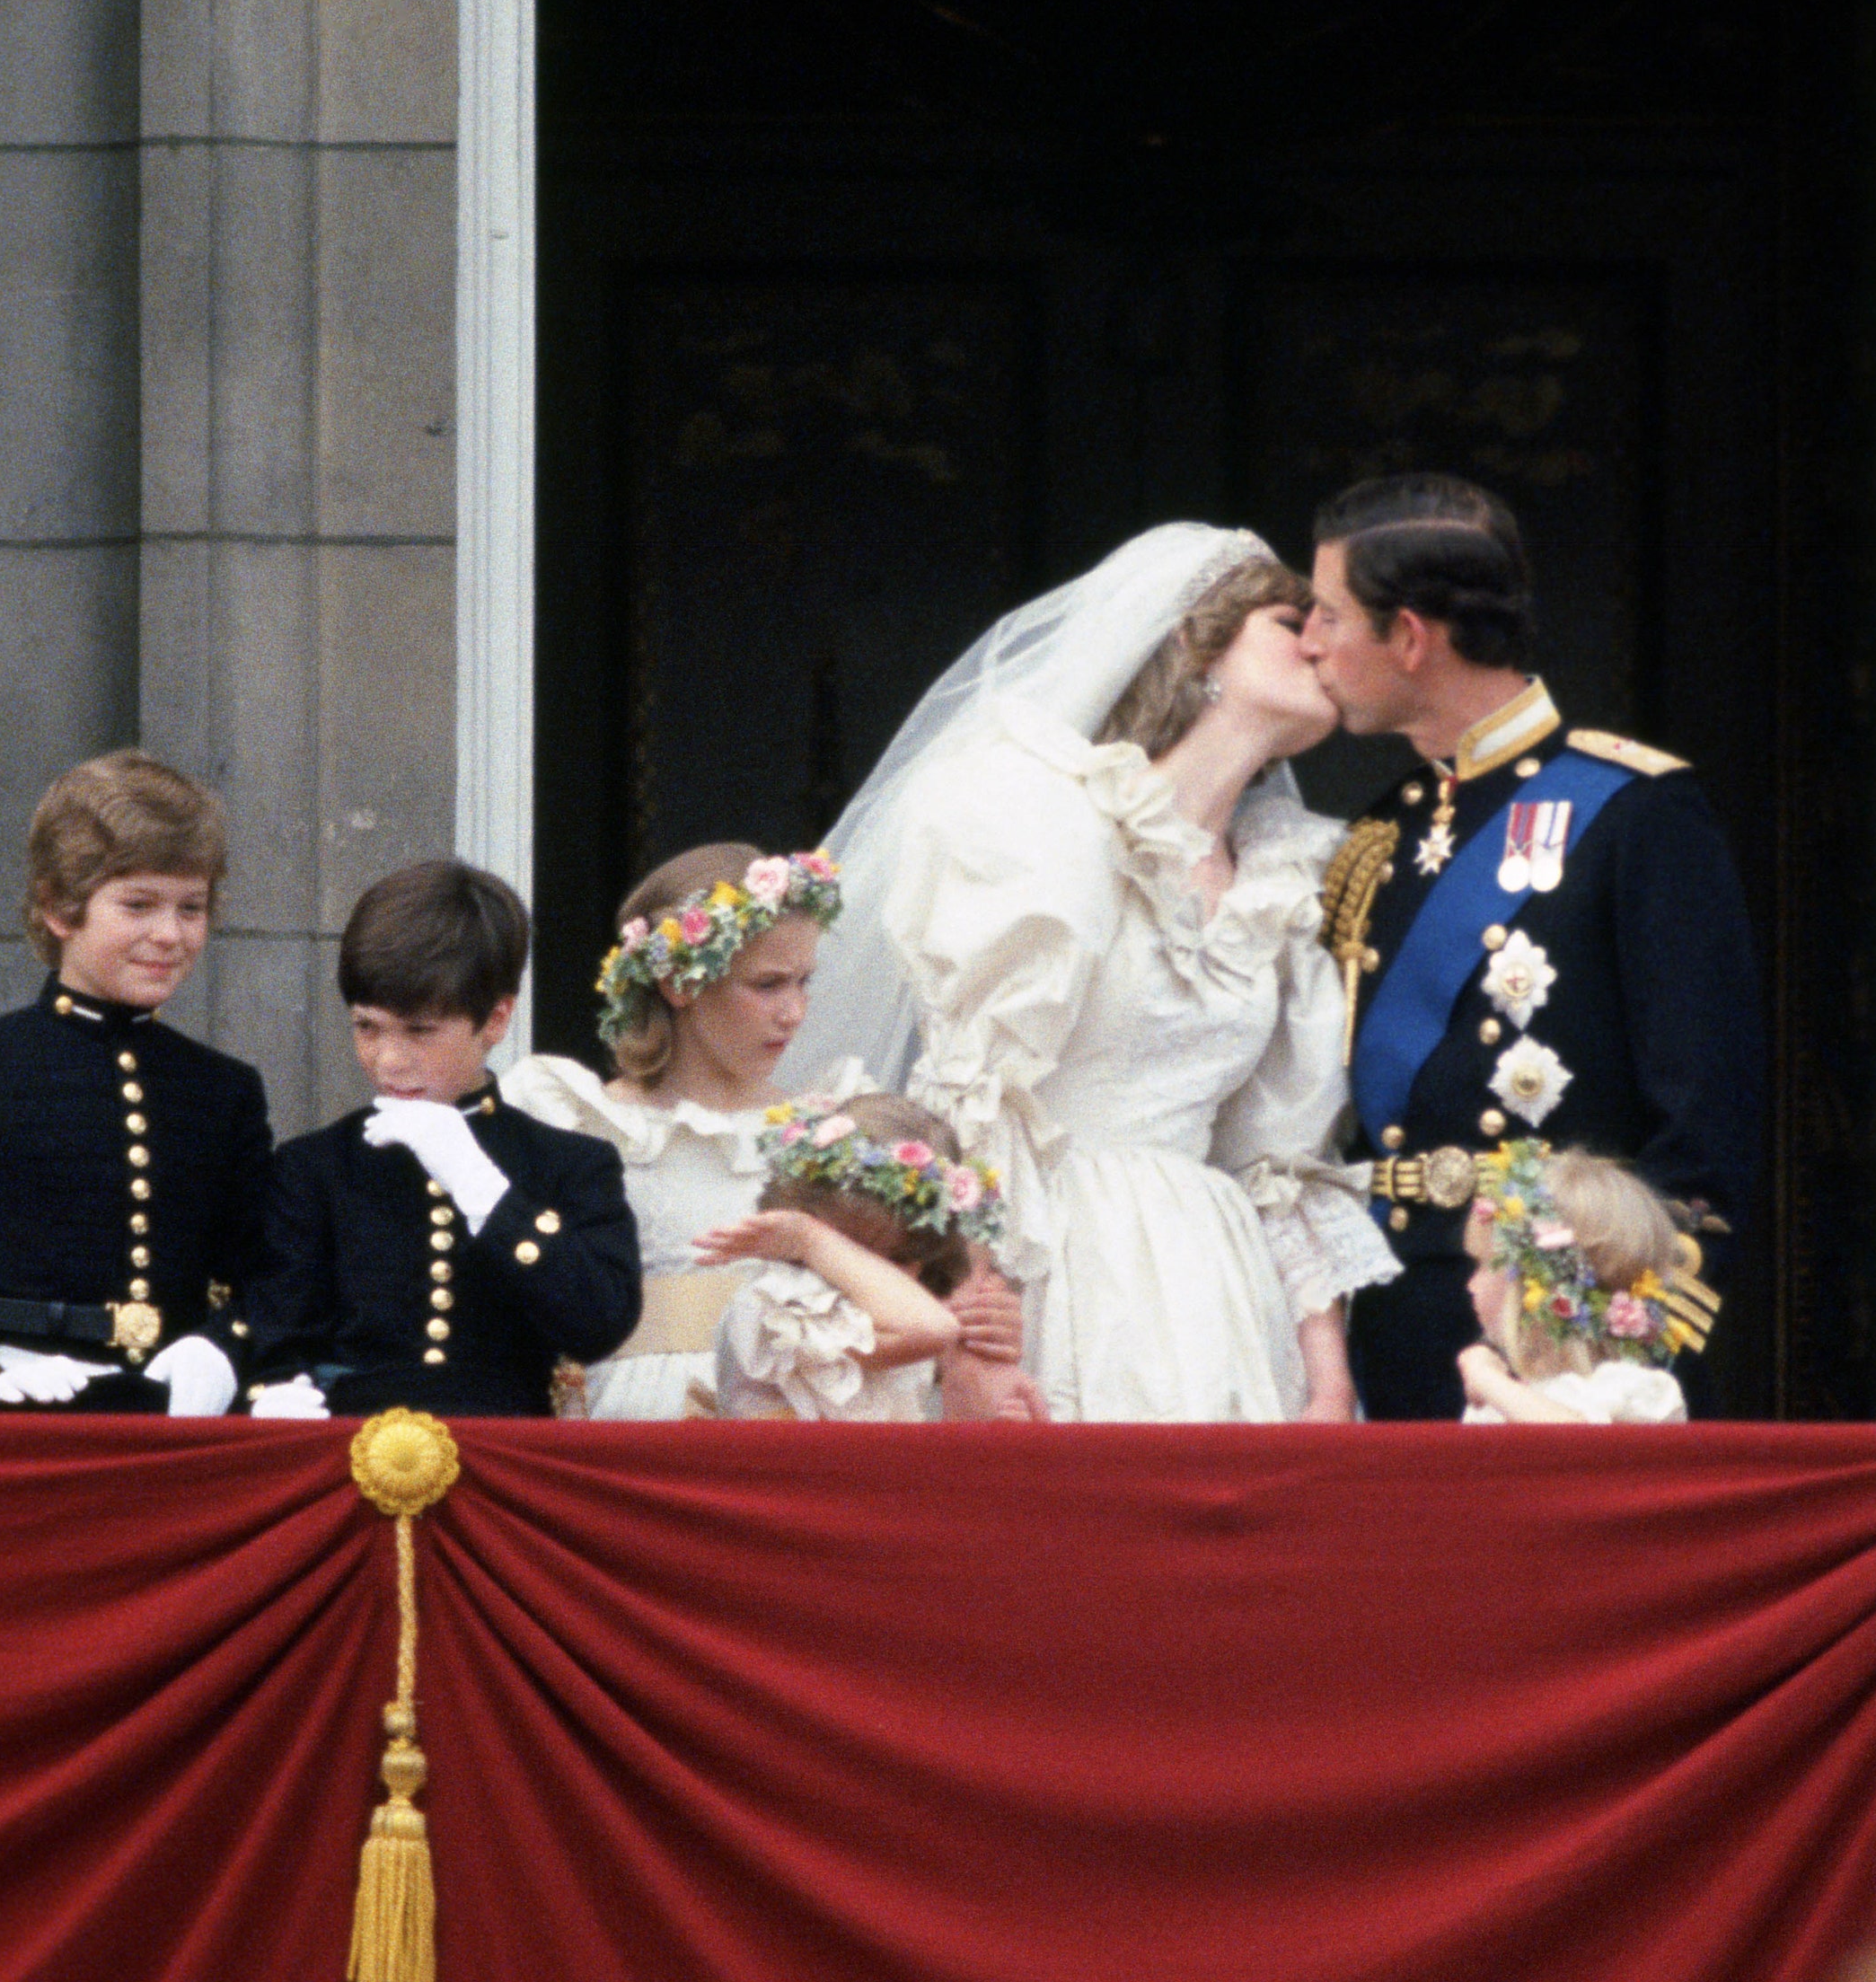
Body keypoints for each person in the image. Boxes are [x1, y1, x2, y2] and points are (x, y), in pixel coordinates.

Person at [789, 524, 1396, 1422]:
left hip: (1216, 1284)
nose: (1321, 642)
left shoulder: (1289, 875)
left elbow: (1277, 1158)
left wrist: (1329, 1378)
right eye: (1288, 619)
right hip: (1054, 1261)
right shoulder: (1046, 818)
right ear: (1194, 641)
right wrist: (975, 1323)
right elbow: (977, 1092)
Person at [1300, 474, 1763, 1421]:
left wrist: (1611, 1342)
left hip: (1572, 1348)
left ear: (1411, 637)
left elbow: (1705, 1125)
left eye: (1328, 613)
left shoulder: (1634, 811)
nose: (1310, 641)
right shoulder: (1381, 833)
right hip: (1398, 1331)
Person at [507, 842, 1031, 1419]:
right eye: (768, 985)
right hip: (643, 1415)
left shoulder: (838, 1127)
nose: (795, 1012)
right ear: (679, 983)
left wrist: (967, 1310)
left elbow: (906, 1283)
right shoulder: (581, 1121)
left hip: (810, 1412)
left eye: (805, 982)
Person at [0, 753, 269, 1412]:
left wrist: (223, 1348)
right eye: (138, 905)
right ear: (58, 907)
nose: (171, 934)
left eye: (192, 908)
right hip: (19, 1421)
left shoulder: (224, 1091)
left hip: (176, 1424)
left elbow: (268, 1276)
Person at [238, 860, 642, 1419]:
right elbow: (276, 1337)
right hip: (350, 1456)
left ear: (496, 1020)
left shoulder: (569, 1163)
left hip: (505, 1461)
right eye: (367, 1026)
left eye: (420, 1030)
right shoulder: (315, 1167)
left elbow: (599, 1324)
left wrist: (483, 1188)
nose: (389, 1059)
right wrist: (274, 1395)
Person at [706, 1095, 976, 1422]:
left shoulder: (899, 1314)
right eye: (857, 1254)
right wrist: (809, 1240)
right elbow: (934, 1330)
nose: (886, 1278)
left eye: (903, 1258)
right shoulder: (786, 1308)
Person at [1454, 1142, 1713, 1425]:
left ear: (1540, 1284)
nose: (1470, 1284)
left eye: (1482, 1265)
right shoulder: (1502, 1396)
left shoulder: (1636, 1389)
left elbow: (1576, 1445)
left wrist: (1487, 1379)